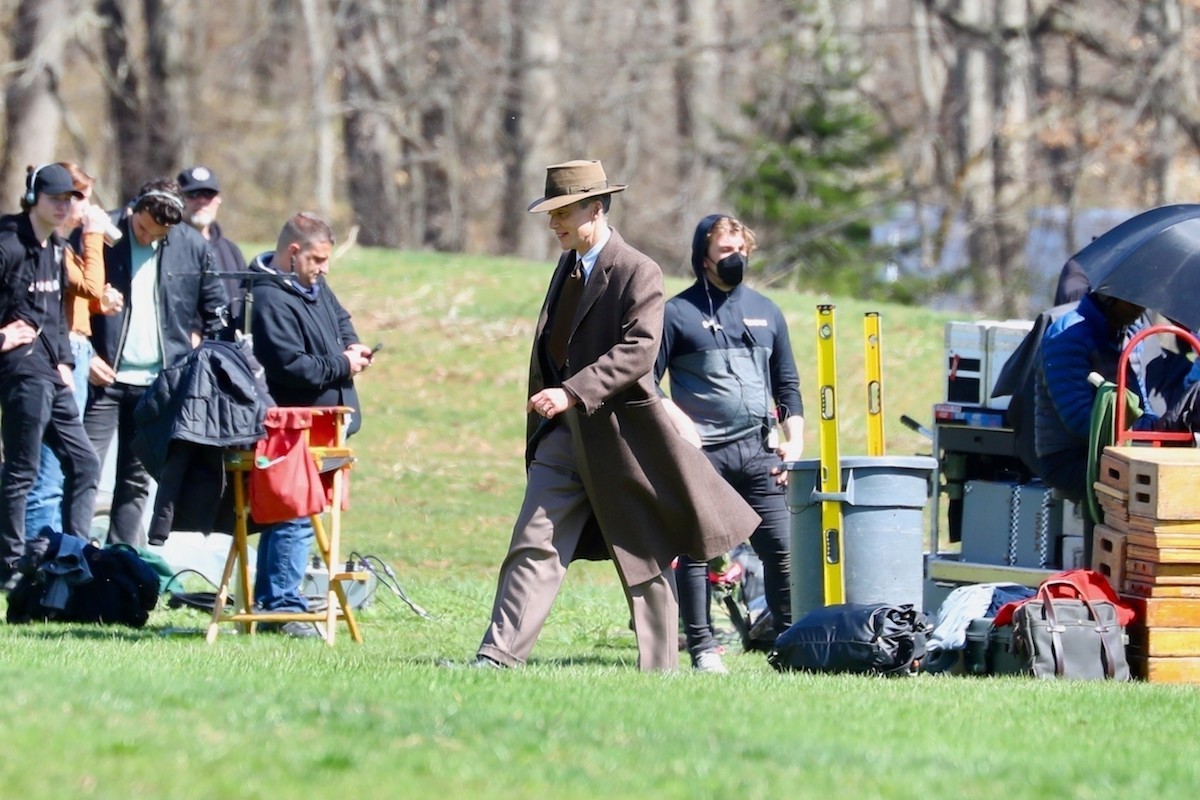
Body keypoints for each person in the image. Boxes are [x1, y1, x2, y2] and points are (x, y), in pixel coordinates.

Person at [473, 160, 760, 672]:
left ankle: (660, 671)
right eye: (551, 213)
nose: (553, 223)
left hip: (624, 441)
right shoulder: (568, 265)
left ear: (596, 208)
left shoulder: (637, 269)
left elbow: (639, 350)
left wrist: (572, 392)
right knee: (533, 543)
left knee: (644, 558)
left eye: (563, 212)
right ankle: (497, 656)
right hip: (563, 438)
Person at [655, 214, 804, 673]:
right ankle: (703, 648)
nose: (735, 258)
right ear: (703, 256)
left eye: (741, 250)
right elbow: (644, 383)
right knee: (697, 551)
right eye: (725, 251)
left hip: (760, 452)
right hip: (703, 455)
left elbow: (787, 384)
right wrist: (680, 422)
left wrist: (795, 440)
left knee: (781, 549)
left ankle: (788, 645)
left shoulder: (767, 311)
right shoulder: (676, 314)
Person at [248, 212, 373, 637]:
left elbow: (340, 319)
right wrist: (343, 364)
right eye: (317, 259)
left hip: (328, 426)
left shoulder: (313, 285)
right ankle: (282, 605)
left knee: (299, 512)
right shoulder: (268, 297)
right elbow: (289, 367)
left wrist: (353, 345)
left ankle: (274, 601)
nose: (324, 268)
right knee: (295, 511)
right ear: (293, 251)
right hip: (292, 426)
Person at [85, 177, 227, 547]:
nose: (146, 237)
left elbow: (216, 311)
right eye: (142, 228)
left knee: (135, 481)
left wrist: (198, 353)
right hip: (102, 378)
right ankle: (73, 559)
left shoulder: (193, 246)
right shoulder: (100, 233)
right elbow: (69, 303)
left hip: (158, 386)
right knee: (85, 471)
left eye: (157, 234)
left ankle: (121, 562)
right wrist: (86, 353)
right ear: (134, 208)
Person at [0, 163, 101, 589]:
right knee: (21, 470)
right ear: (32, 199)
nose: (63, 207)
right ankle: (9, 566)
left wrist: (65, 362)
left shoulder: (57, 248)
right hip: (20, 370)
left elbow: (56, 315)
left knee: (85, 462)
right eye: (55, 199)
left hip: (50, 369)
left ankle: (74, 558)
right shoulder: (7, 245)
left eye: (69, 199)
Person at [24, 162, 124, 538]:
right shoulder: (52, 248)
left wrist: (99, 305)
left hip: (77, 350)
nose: (85, 207)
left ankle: (60, 551)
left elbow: (82, 295)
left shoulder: (64, 247)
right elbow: (89, 284)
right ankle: (35, 555)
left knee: (72, 467)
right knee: (49, 471)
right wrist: (94, 237)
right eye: (78, 197)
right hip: (57, 356)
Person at [1034, 290, 1200, 502]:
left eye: (1142, 304)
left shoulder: (1130, 333)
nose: (1140, 310)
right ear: (1108, 297)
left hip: (1118, 448)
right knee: (1164, 489)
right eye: (1133, 303)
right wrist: (1145, 432)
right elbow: (1080, 420)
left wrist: (1157, 430)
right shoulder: (1066, 336)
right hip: (1072, 457)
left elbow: (1140, 404)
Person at [177, 165, 248, 335]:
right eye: (193, 194)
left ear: (218, 200)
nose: (201, 200)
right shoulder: (168, 248)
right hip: (184, 345)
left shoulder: (231, 251)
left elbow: (244, 301)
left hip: (228, 345)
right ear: (178, 200)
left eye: (208, 194)